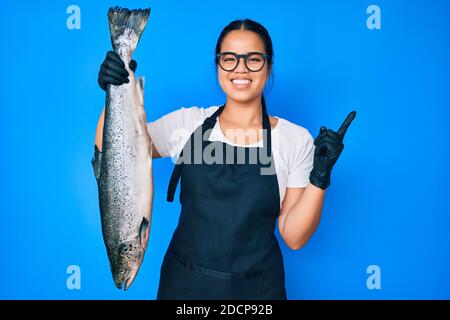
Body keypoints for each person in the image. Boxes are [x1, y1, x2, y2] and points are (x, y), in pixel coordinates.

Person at [95, 18, 355, 300]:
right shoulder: (187, 123)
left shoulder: (295, 139)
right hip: (183, 287)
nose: (241, 68)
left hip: (257, 292)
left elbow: (294, 236)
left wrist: (320, 178)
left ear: (268, 67)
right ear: (218, 65)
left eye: (253, 59)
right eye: (229, 59)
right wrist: (113, 89)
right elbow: (110, 157)